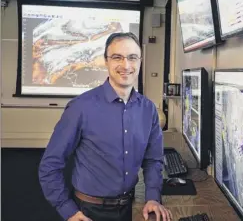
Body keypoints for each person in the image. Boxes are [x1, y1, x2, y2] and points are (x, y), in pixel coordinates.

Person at [38, 32, 172, 221]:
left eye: (132, 58)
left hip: (129, 208)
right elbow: (50, 165)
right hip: (88, 212)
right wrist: (68, 211)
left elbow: (153, 160)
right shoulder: (80, 108)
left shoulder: (148, 109)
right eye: (117, 57)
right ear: (106, 61)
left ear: (140, 61)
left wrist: (152, 197)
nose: (126, 65)